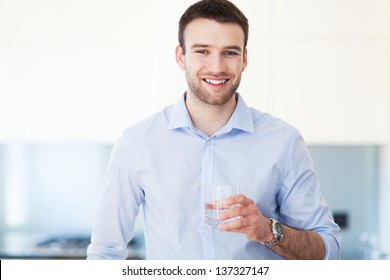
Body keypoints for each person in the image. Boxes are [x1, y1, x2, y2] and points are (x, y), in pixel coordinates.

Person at [87, 0, 340, 260]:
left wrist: (268, 231)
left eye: (229, 52)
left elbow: (328, 251)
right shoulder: (137, 142)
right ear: (180, 56)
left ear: (244, 59)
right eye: (202, 51)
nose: (217, 67)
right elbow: (104, 253)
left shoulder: (283, 142)